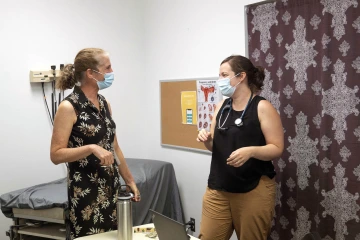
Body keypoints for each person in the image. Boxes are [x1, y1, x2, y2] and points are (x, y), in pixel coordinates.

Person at [50, 48, 140, 240]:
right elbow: (56, 154)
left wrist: (130, 181)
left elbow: (114, 147)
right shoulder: (69, 107)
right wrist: (91, 148)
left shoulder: (104, 103)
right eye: (107, 67)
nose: (111, 72)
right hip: (86, 196)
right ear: (91, 73)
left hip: (111, 190)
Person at [196, 55, 284, 240]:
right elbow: (215, 146)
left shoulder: (262, 107)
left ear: (241, 76)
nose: (220, 81)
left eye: (224, 75)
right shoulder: (221, 107)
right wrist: (206, 140)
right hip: (218, 189)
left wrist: (251, 151)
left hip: (253, 189)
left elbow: (277, 148)